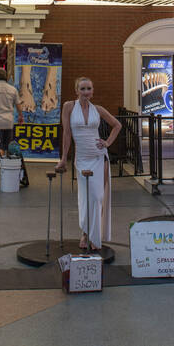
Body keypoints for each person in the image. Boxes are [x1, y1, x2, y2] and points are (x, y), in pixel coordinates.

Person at [55, 77, 122, 251]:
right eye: (82, 89)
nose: (86, 92)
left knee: (98, 197)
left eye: (89, 89)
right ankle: (85, 233)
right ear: (76, 91)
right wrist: (63, 158)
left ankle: (92, 235)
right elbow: (67, 134)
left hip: (99, 156)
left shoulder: (98, 109)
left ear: (92, 91)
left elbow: (117, 125)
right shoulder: (69, 106)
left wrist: (107, 142)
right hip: (83, 158)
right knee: (86, 197)